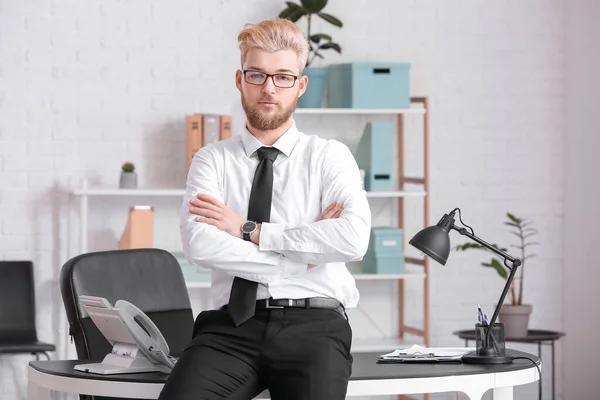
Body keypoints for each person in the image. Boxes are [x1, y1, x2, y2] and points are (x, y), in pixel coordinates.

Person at [159, 18, 371, 400]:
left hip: (316, 325)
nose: (269, 88)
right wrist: (302, 257)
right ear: (240, 80)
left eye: (283, 77)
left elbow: (352, 240)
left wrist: (248, 229)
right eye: (257, 75)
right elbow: (201, 244)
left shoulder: (329, 157)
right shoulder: (211, 160)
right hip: (228, 329)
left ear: (300, 85)